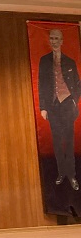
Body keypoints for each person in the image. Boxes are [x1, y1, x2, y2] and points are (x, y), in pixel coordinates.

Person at [38, 29, 81, 191]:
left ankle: (72, 175)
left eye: (57, 38)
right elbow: (41, 85)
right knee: (57, 141)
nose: (54, 41)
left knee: (69, 141)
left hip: (67, 105)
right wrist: (43, 107)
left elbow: (77, 83)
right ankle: (61, 173)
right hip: (53, 106)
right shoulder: (44, 61)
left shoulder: (70, 61)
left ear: (62, 41)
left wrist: (74, 101)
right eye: (51, 38)